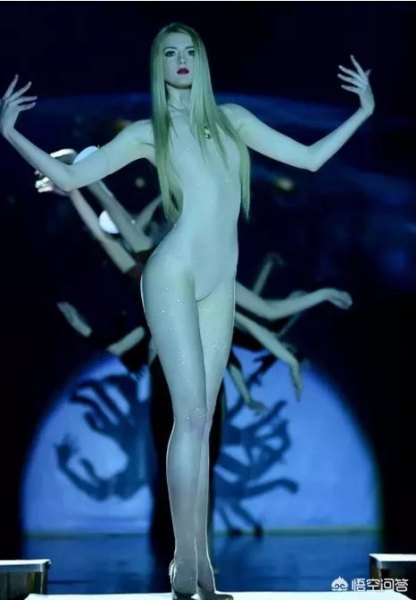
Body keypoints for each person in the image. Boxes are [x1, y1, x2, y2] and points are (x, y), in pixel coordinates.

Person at [0, 22, 374, 600]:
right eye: (169, 53)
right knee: (190, 417)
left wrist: (364, 111)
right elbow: (71, 175)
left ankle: (203, 569)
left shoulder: (235, 121)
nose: (181, 60)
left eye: (189, 51)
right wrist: (9, 130)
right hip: (172, 275)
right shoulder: (149, 132)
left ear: (201, 62)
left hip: (220, 282)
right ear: (159, 66)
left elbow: (310, 159)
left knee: (202, 422)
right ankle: (186, 563)